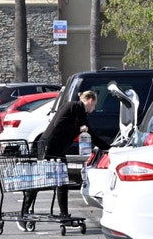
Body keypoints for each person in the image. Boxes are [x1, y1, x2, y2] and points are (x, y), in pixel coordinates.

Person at [24, 90, 109, 223]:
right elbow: (59, 125)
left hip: (58, 149)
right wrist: (78, 129)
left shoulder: (81, 113)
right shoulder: (72, 107)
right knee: (40, 179)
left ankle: (64, 214)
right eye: (95, 104)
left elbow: (91, 133)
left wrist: (108, 148)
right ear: (91, 101)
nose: (94, 108)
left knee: (62, 181)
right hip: (49, 147)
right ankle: (25, 210)